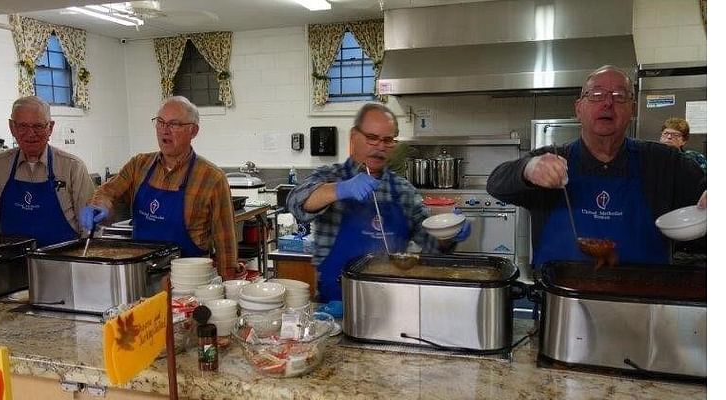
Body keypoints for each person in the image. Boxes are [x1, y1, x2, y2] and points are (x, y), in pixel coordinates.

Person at [487, 65, 706, 268]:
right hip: (562, 303)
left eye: (620, 96)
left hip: (644, 303)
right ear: (579, 108)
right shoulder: (552, 158)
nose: (608, 103)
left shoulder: (664, 162)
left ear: (633, 109)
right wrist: (527, 169)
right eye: (596, 95)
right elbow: (496, 183)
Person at [286, 103, 471, 302]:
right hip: (336, 303)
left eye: (388, 140)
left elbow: (431, 244)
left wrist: (449, 234)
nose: (380, 146)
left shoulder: (403, 190)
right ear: (354, 137)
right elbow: (296, 202)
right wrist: (340, 189)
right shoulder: (329, 175)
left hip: (392, 302)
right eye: (372, 138)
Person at [80, 96, 240, 279]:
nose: (165, 130)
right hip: (141, 278)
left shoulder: (211, 178)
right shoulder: (138, 165)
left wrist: (227, 289)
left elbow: (225, 244)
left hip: (190, 282)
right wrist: (98, 206)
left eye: (174, 124)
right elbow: (108, 192)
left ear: (193, 131)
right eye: (160, 122)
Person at [0, 96, 95, 247]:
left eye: (38, 126)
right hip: (13, 263)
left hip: (63, 263)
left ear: (50, 127)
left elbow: (91, 227)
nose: (31, 134)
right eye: (23, 126)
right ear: (12, 127)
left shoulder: (72, 167)